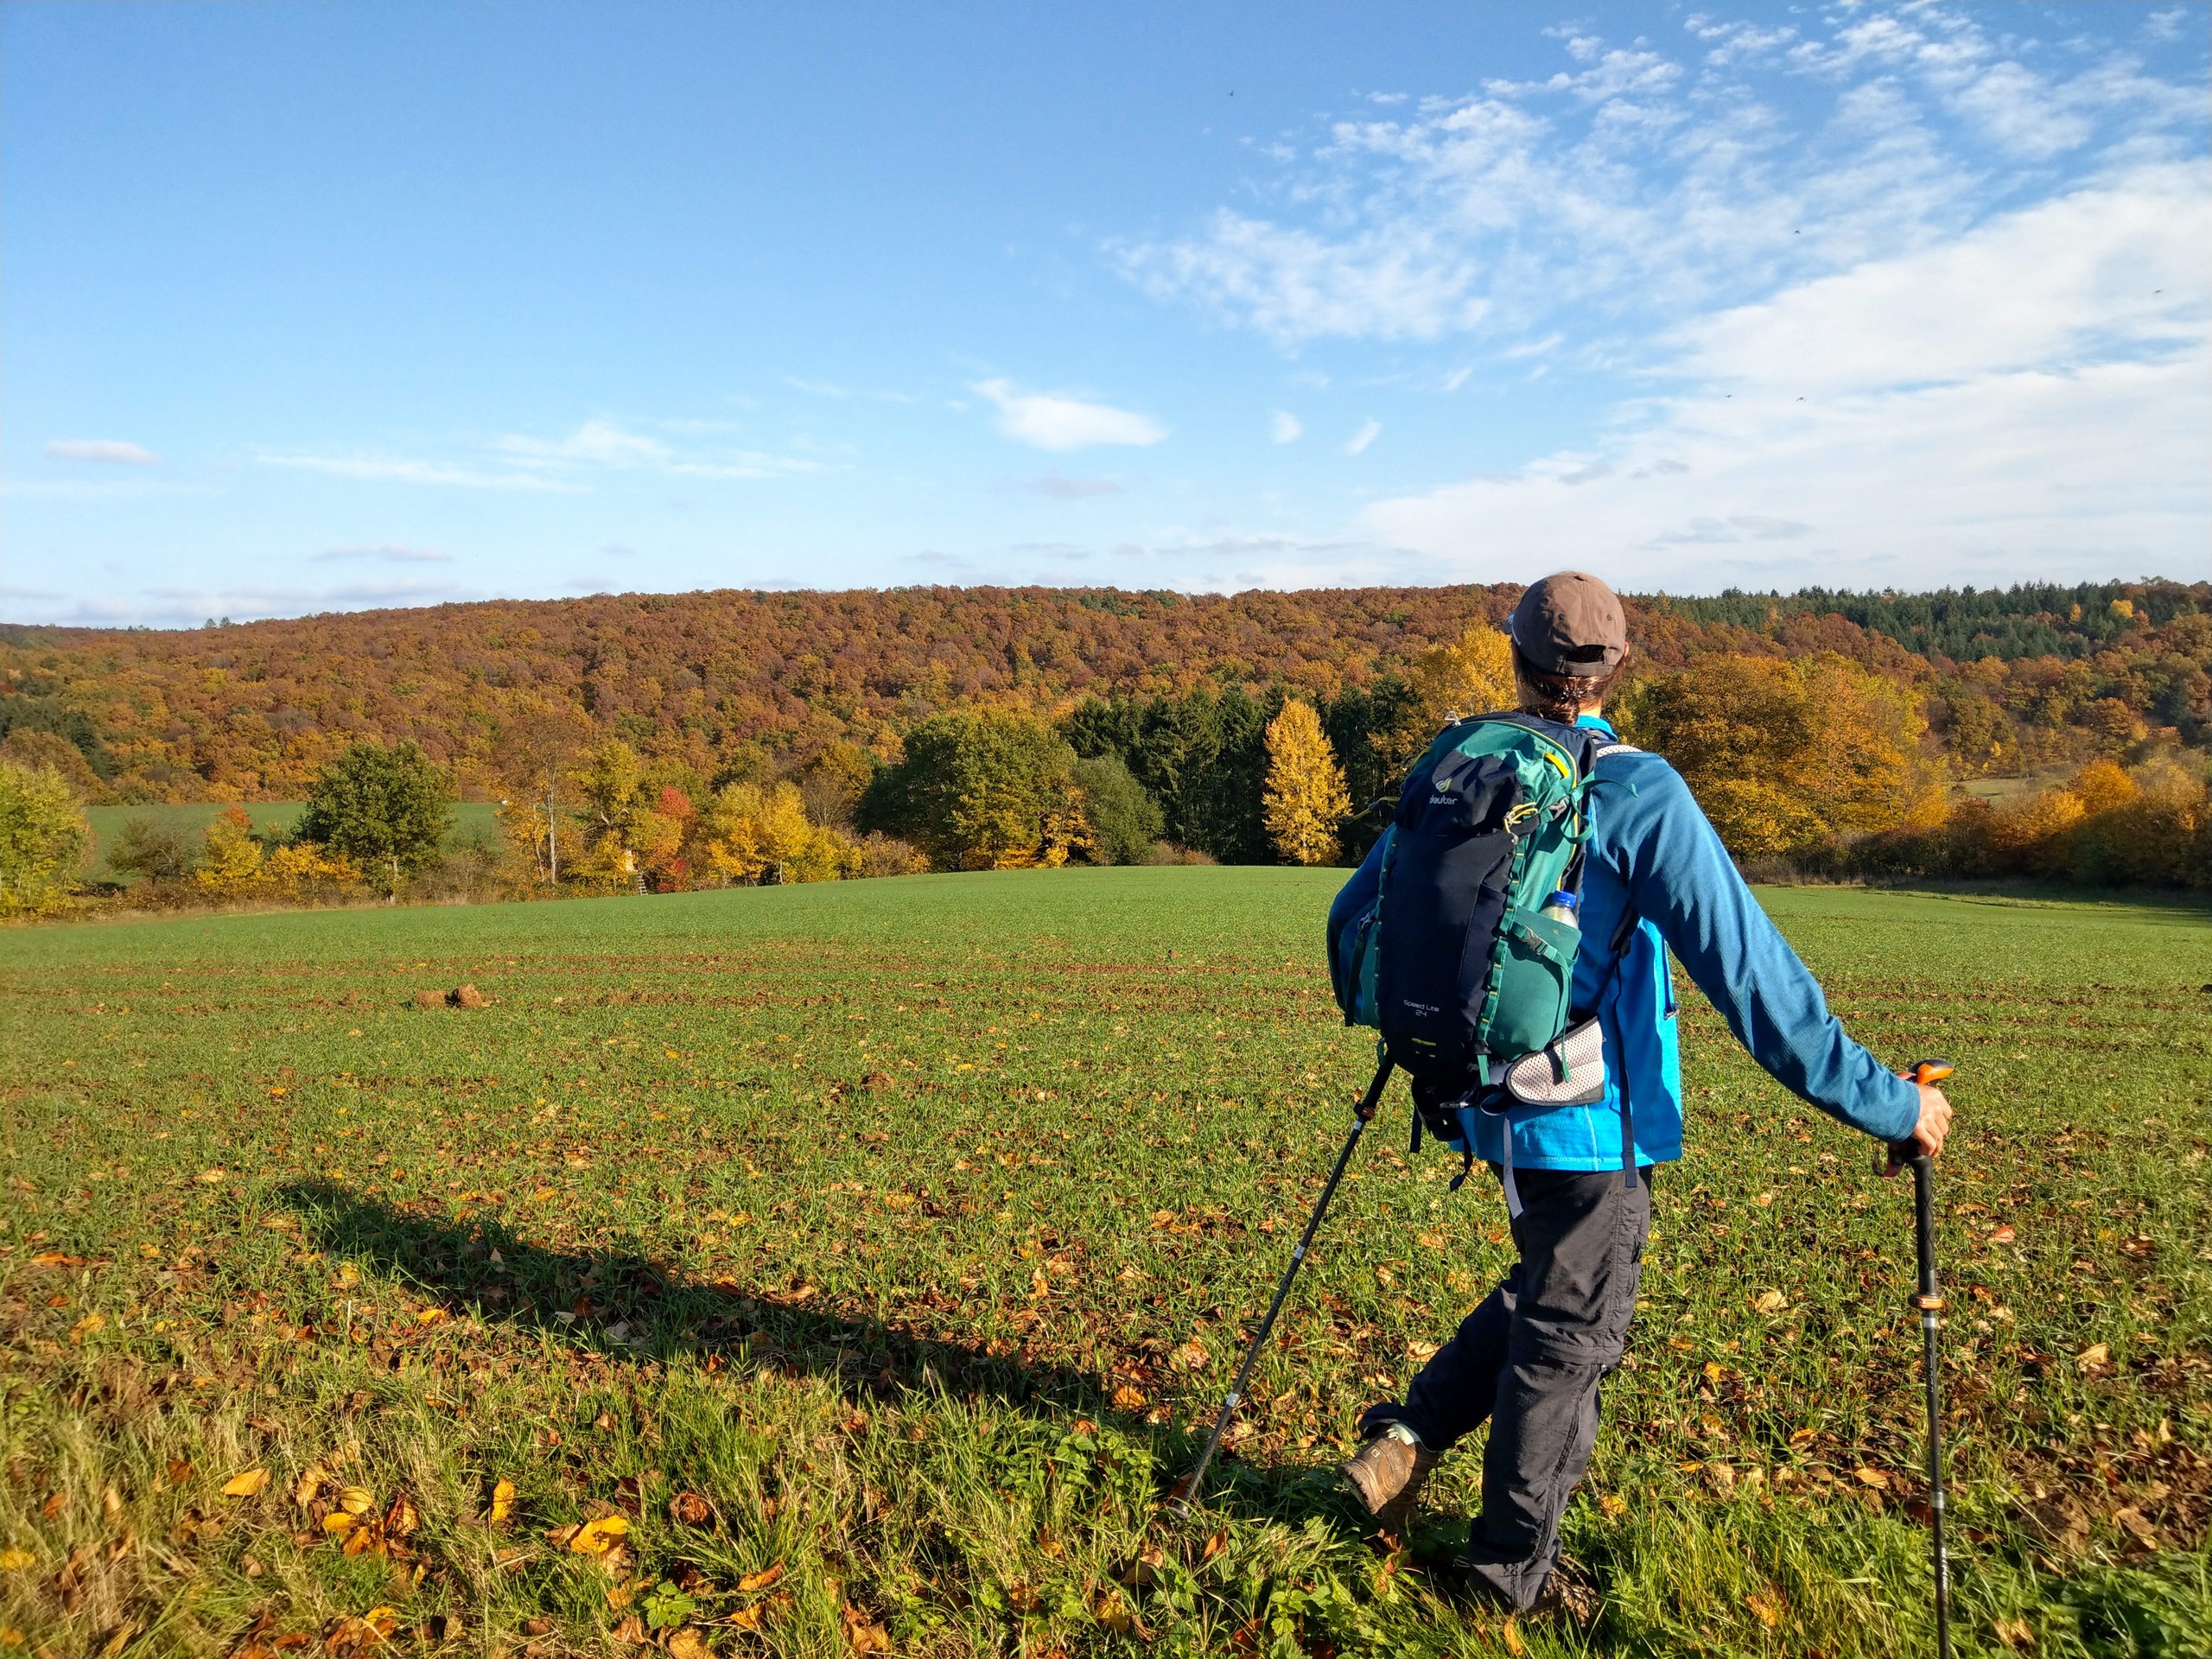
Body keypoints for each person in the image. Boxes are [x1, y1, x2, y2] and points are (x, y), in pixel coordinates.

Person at [1327, 570, 1955, 1613]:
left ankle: (1401, 1444)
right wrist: (1890, 1104)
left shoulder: (1460, 764)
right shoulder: (1635, 789)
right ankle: (1502, 1585)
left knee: (1547, 1293)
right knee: (1572, 1336)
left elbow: (1359, 916)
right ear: (1616, 664)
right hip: (1589, 1124)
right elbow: (1754, 979)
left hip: (1487, 1100)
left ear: (1516, 658)